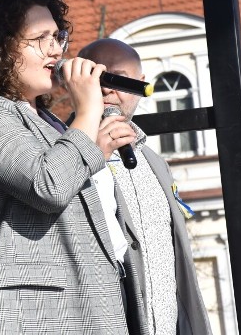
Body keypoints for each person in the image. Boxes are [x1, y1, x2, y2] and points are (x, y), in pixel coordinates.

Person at [0, 0, 148, 335]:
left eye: (57, 37)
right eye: (40, 38)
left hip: (93, 303)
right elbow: (48, 184)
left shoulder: (49, 123)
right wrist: (87, 110)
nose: (55, 50)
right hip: (32, 314)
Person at [78, 38, 212, 335]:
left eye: (119, 79)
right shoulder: (64, 155)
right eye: (97, 78)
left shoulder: (155, 162)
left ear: (141, 83)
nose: (106, 89)